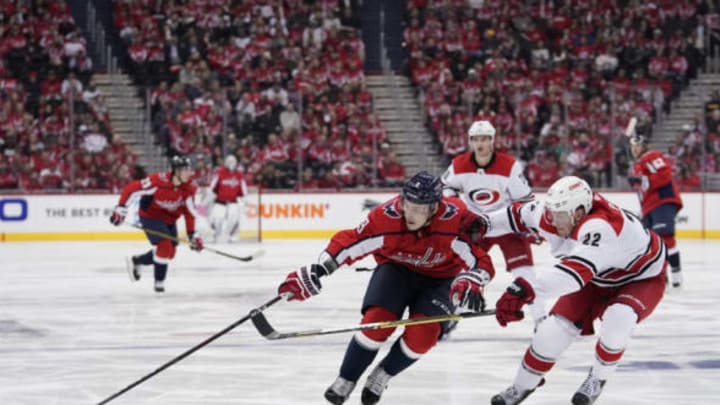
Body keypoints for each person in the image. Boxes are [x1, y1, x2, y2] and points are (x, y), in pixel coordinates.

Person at [276, 171, 495, 405]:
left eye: (419, 208)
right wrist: (319, 269)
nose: (410, 213)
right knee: (376, 321)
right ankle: (346, 378)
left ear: (433, 208)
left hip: (440, 280)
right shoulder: (385, 218)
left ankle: (383, 374)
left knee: (423, 335)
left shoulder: (453, 221)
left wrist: (474, 279)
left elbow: (481, 261)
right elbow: (349, 242)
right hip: (396, 271)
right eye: (407, 204)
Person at [485, 176, 667, 405]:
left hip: (640, 278)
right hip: (597, 276)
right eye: (551, 213)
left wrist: (523, 290)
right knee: (550, 333)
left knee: (618, 320)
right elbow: (517, 215)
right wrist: (482, 222)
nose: (552, 220)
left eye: (559, 215)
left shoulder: (601, 226)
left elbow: (574, 274)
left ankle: (598, 378)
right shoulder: (557, 212)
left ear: (579, 212)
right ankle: (521, 387)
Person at [441, 120, 546, 326]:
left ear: (492, 141)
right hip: (477, 227)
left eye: (485, 139)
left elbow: (524, 199)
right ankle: (454, 317)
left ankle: (541, 319)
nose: (481, 144)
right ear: (470, 141)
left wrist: (531, 226)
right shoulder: (458, 165)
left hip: (508, 225)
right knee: (465, 272)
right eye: (477, 139)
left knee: (524, 273)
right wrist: (458, 208)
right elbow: (446, 187)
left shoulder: (508, 166)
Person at [109, 155, 204, 292]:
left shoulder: (189, 189)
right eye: (185, 169)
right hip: (150, 216)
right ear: (176, 171)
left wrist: (193, 235)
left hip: (169, 220)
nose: (189, 173)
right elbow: (132, 189)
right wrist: (121, 209)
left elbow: (189, 213)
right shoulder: (157, 181)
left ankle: (138, 261)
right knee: (164, 245)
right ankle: (159, 285)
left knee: (170, 253)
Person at [628, 133, 683, 287]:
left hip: (662, 201)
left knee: (665, 238)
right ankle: (661, 276)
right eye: (632, 146)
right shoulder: (637, 165)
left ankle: (677, 277)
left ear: (644, 146)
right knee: (651, 244)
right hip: (649, 207)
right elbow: (642, 192)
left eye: (637, 145)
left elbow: (665, 173)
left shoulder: (651, 156)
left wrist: (642, 180)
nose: (634, 149)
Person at [205, 154, 248, 243]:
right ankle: (217, 234)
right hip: (220, 201)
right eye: (229, 162)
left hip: (233, 202)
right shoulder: (220, 173)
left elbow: (244, 190)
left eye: (233, 162)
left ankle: (228, 235)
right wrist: (209, 197)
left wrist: (245, 200)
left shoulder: (239, 175)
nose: (231, 164)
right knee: (217, 219)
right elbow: (212, 187)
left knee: (233, 217)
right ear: (226, 163)